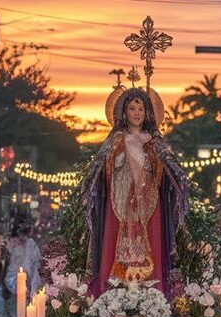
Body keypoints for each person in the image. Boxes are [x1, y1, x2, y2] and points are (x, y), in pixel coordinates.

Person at [80, 86, 189, 295]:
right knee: (117, 239)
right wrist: (120, 157)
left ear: (148, 112)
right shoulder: (116, 140)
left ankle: (152, 293)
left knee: (150, 241)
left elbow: (167, 172)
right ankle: (113, 291)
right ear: (123, 112)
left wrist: (153, 162)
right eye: (132, 109)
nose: (137, 113)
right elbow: (104, 170)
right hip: (120, 198)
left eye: (141, 109)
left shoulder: (155, 142)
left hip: (148, 200)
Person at [7, 220, 42, 294]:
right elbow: (11, 260)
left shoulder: (31, 243)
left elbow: (36, 260)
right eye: (21, 233)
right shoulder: (14, 243)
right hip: (15, 276)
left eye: (25, 233)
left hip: (29, 275)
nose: (23, 236)